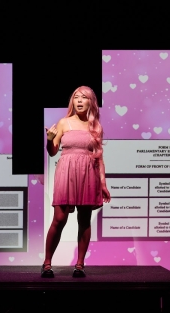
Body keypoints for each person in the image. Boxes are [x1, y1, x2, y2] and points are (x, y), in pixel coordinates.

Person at [42, 86, 111, 278]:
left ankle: (80, 264)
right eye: (76, 97)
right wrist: (49, 140)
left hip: (88, 173)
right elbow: (52, 152)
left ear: (91, 102)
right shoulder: (64, 123)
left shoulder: (95, 126)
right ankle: (47, 263)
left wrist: (103, 184)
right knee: (59, 218)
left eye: (84, 98)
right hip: (66, 172)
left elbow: (99, 157)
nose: (79, 101)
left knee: (84, 220)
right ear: (72, 101)